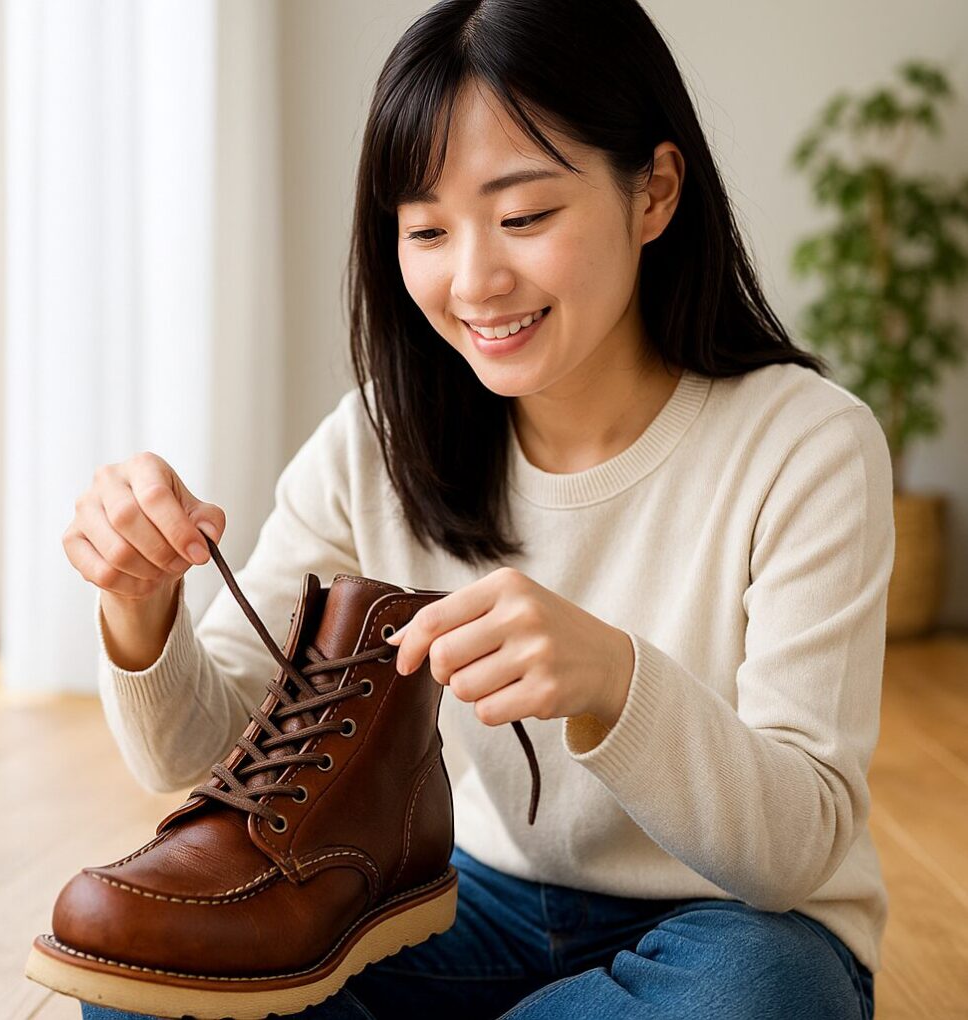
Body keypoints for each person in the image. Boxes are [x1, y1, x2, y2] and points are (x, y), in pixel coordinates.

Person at [68, 0, 888, 1017]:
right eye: (426, 230)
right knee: (154, 970)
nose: (474, 281)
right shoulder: (376, 440)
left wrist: (614, 678)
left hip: (731, 925)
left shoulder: (807, 443)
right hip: (466, 907)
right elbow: (200, 752)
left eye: (525, 216)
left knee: (758, 995)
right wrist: (140, 604)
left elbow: (798, 848)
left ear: (655, 192)